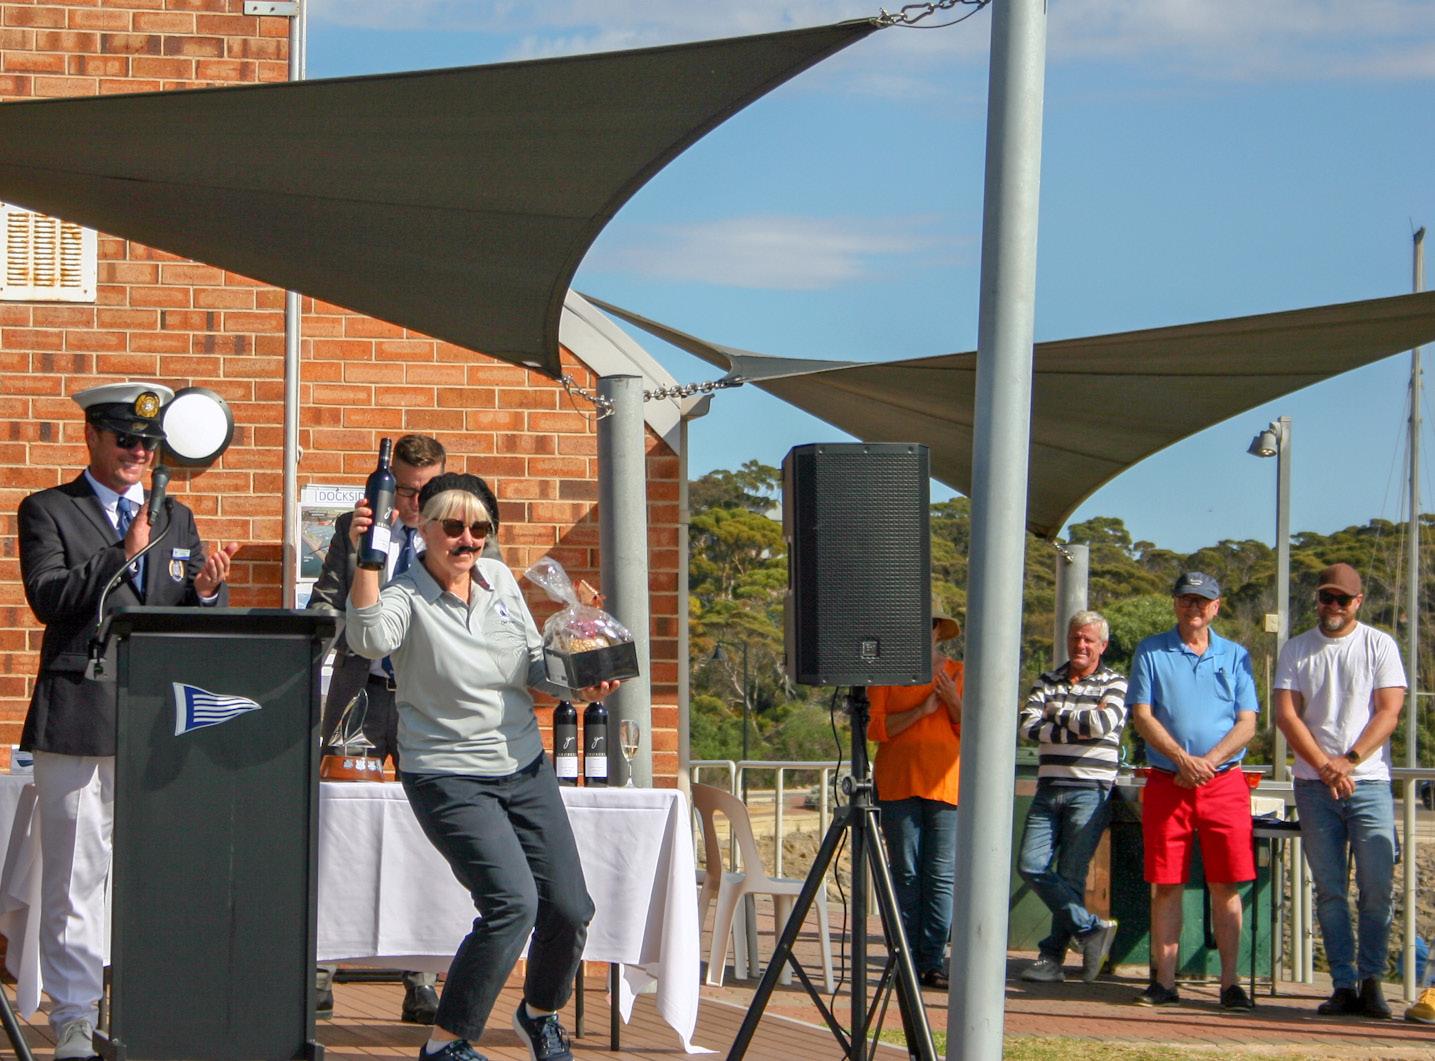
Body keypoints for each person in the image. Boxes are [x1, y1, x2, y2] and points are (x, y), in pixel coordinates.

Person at [345, 472, 616, 1061]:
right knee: (512, 904)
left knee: (570, 908)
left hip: (523, 766)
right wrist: (367, 559)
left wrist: (580, 681)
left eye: (480, 529)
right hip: (446, 774)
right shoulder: (405, 594)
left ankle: (538, 1014)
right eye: (454, 527)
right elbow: (368, 640)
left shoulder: (500, 582)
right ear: (423, 528)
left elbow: (533, 667)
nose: (468, 540)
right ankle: (445, 1043)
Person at [18, 381, 237, 1060]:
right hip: (79, 719)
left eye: (148, 443)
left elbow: (180, 617)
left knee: (156, 874)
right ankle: (74, 1017)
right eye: (126, 439)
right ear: (92, 436)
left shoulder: (177, 515)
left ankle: (150, 1006)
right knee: (75, 879)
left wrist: (206, 594)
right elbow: (48, 597)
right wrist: (122, 552)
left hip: (155, 722)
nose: (139, 452)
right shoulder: (49, 508)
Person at [309, 434, 499, 1024]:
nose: (415, 502)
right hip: (361, 696)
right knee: (340, 827)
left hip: (430, 702)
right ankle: (321, 969)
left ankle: (422, 977)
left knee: (433, 836)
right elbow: (325, 602)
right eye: (407, 491)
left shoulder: (462, 534)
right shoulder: (356, 529)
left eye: (427, 490)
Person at [1274, 562, 1406, 1020]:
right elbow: (1287, 715)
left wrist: (1348, 761)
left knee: (1377, 888)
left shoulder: (1379, 645)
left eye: (1342, 599)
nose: (1332, 606)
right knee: (1329, 890)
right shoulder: (1296, 648)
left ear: (1358, 602)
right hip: (1314, 788)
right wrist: (1324, 767)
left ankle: (1372, 981)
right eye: (1326, 597)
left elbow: (1388, 712)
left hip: (1368, 782)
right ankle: (1343, 984)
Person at [1126, 572, 1259, 1011]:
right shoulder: (1151, 651)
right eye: (1186, 599)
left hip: (1225, 784)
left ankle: (1230, 984)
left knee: (1226, 883)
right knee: (1166, 884)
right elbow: (1142, 715)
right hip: (1169, 782)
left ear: (1216, 607)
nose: (1194, 607)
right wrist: (1182, 760)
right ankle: (1164, 982)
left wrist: (1208, 762)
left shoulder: (1236, 655)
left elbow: (1248, 722)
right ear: (1175, 603)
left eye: (1203, 600)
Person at [1017, 610, 1128, 984]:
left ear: (1102, 645)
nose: (1080, 645)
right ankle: (1091, 928)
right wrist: (1077, 724)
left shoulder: (1115, 683)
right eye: (1075, 638)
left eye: (1088, 640)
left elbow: (1101, 724)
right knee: (1030, 864)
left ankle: (1051, 959)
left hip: (1091, 791)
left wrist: (1055, 712)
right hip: (1048, 787)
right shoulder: (1047, 680)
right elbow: (1028, 727)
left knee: (1070, 874)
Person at [869, 613, 964, 991]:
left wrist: (952, 699)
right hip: (898, 783)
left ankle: (932, 960)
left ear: (938, 631)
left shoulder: (957, 672)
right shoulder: (886, 674)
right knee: (905, 871)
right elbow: (876, 728)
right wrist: (920, 711)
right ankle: (903, 956)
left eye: (928, 625)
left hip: (945, 785)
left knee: (940, 874)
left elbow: (971, 726)